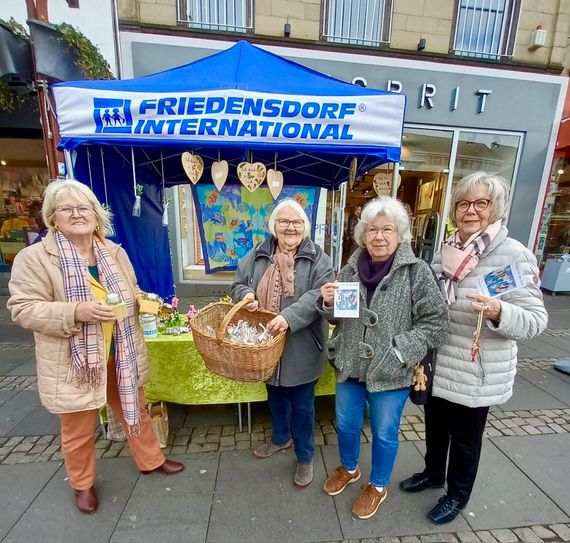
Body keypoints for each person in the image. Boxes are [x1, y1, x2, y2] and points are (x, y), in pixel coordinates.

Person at [7, 179, 184, 515]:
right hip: (76, 359)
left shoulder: (113, 252)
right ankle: (82, 484)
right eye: (66, 209)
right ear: (53, 218)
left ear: (97, 215)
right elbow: (22, 308)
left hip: (121, 350)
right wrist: (75, 311)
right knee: (78, 428)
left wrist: (146, 301)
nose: (76, 214)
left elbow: (130, 292)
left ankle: (151, 460)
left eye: (84, 207)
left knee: (136, 410)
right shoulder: (35, 258)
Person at [399, 172, 548, 525]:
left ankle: (457, 495)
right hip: (439, 362)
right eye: (463, 203)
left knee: (466, 439)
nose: (471, 211)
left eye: (481, 203)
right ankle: (433, 474)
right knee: (434, 427)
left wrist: (500, 312)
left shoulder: (514, 256)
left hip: (476, 368)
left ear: (495, 208)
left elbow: (535, 319)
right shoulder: (445, 251)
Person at [319, 196, 449, 520]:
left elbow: (435, 324)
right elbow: (339, 319)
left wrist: (399, 351)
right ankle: (349, 468)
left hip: (391, 369)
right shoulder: (350, 269)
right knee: (347, 424)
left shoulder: (416, 272)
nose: (379, 236)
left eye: (387, 229)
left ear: (400, 234)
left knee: (384, 431)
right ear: (363, 235)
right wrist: (328, 304)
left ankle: (377, 486)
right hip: (350, 364)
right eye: (372, 229)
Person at [232, 199, 334, 489]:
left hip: (302, 347)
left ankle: (305, 456)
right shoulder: (258, 254)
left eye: (297, 222)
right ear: (273, 226)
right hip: (265, 345)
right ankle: (280, 439)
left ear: (305, 227)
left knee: (302, 407)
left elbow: (317, 296)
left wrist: (288, 317)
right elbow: (238, 284)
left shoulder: (318, 259)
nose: (290, 227)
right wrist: (246, 295)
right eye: (284, 222)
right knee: (275, 397)